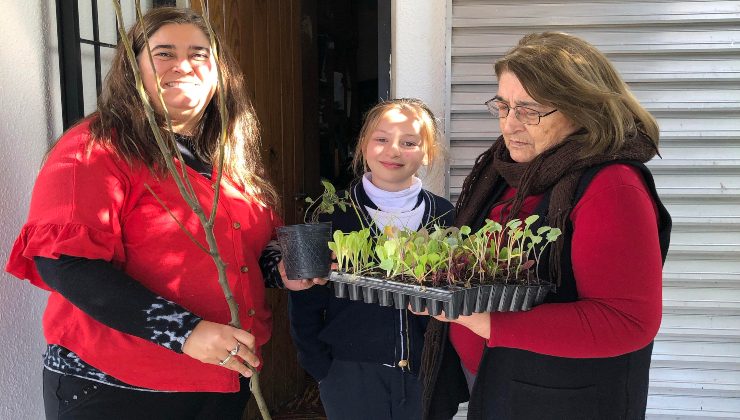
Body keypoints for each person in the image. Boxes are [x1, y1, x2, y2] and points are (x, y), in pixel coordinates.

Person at [5, 7, 315, 419]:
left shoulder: (227, 157)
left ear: (220, 72)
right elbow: (65, 264)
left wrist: (285, 268)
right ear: (133, 70)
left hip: (223, 378)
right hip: (118, 386)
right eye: (164, 53)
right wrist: (184, 332)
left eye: (200, 54)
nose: (183, 65)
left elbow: (248, 251)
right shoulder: (95, 148)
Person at [418, 32, 672, 420]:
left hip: (566, 400)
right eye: (503, 106)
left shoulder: (611, 185)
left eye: (529, 110)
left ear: (582, 108)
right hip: (498, 381)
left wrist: (484, 321)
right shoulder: (507, 169)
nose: (510, 125)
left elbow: (628, 321)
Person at [289, 98, 455, 420]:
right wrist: (321, 368)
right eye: (381, 139)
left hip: (429, 374)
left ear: (427, 153)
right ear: (363, 145)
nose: (393, 151)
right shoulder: (327, 213)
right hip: (350, 375)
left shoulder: (445, 216)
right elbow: (303, 298)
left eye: (409, 143)